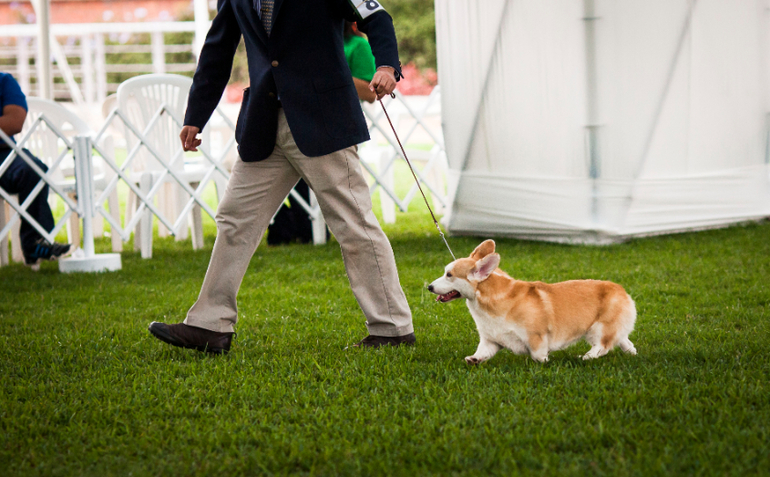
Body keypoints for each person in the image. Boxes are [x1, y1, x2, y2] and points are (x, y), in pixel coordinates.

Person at [148, 0, 414, 353]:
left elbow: (376, 17)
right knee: (234, 219)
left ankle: (392, 328)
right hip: (263, 122)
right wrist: (196, 115)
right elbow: (218, 48)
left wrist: (386, 66)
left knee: (354, 226)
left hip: (324, 118)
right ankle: (210, 325)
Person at [266, 20, 377, 246]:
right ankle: (298, 225)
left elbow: (370, 92)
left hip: (337, 125)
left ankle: (312, 226)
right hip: (299, 118)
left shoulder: (358, 45)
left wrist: (331, 71)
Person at [0, 72, 71, 269]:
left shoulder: (4, 81)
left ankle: (36, 242)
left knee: (33, 169)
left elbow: (15, 121)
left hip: (4, 154)